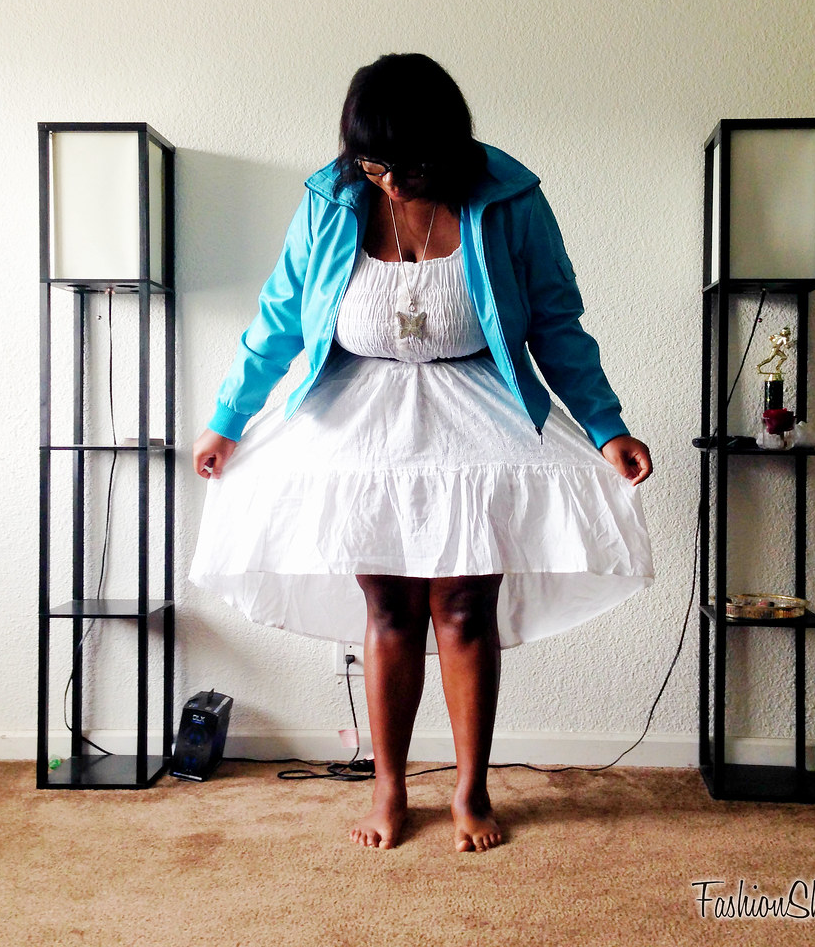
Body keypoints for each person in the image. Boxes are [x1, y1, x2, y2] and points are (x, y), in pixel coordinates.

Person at [191, 53, 653, 853]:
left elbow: (556, 322)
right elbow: (280, 315)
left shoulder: (510, 198)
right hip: (359, 421)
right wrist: (228, 418)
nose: (393, 187)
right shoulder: (331, 199)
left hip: (478, 418)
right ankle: (390, 786)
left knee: (466, 608)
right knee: (389, 609)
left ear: (449, 149)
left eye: (410, 169)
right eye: (375, 167)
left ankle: (471, 790)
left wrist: (606, 426)